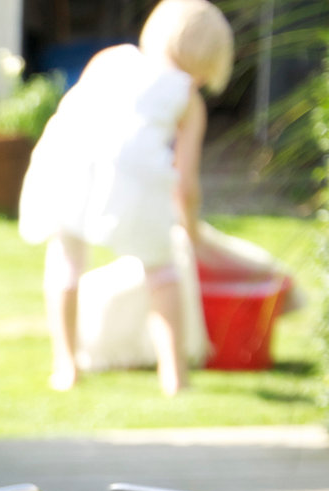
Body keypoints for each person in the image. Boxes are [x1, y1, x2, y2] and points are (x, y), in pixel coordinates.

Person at [17, 0, 234, 395]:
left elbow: (74, 112)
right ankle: (174, 375)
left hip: (72, 164)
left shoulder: (112, 58)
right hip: (137, 182)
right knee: (163, 274)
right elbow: (185, 184)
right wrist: (189, 229)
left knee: (65, 262)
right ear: (208, 64)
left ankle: (66, 366)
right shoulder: (188, 99)